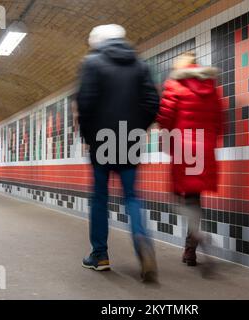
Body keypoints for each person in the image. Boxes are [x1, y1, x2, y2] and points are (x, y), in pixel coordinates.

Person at [76, 24, 160, 282]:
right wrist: (137, 130)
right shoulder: (140, 65)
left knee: (100, 199)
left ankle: (99, 255)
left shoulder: (92, 63)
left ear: (98, 41)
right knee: (132, 197)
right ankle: (142, 242)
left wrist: (89, 138)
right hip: (130, 140)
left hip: (101, 141)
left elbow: (85, 103)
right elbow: (152, 102)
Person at [156, 52, 223, 270]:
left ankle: (195, 233)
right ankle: (190, 249)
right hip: (205, 147)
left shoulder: (175, 84)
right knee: (194, 197)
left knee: (177, 194)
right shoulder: (211, 87)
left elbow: (165, 118)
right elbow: (221, 120)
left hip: (183, 146)